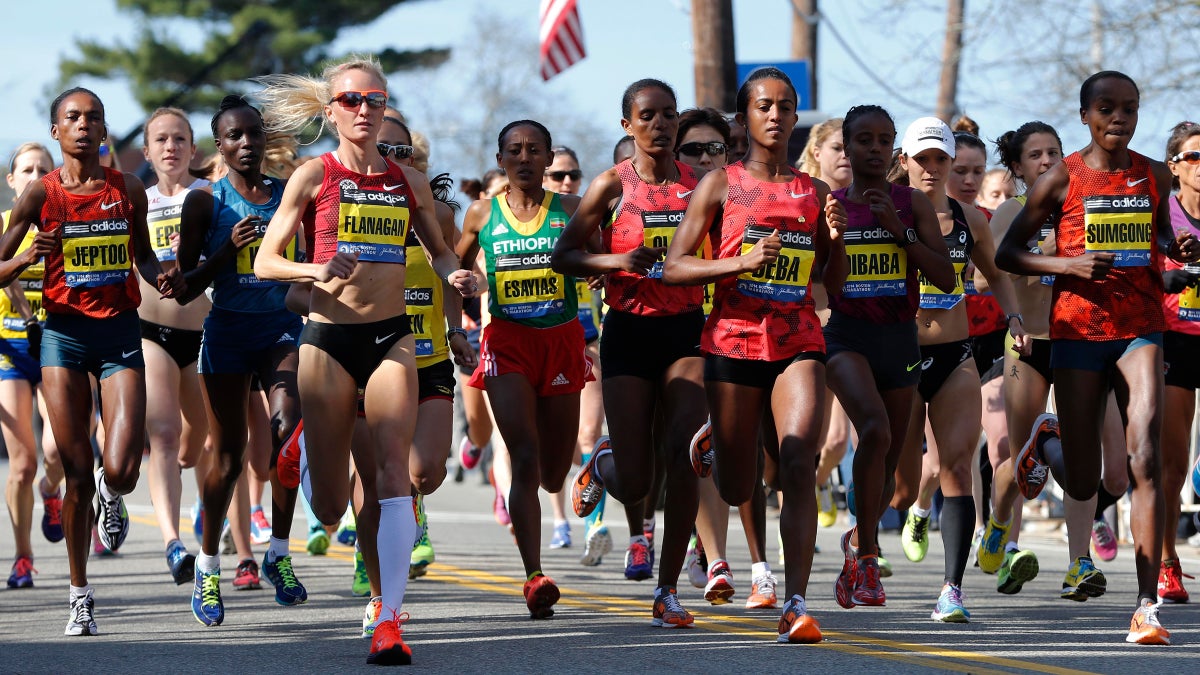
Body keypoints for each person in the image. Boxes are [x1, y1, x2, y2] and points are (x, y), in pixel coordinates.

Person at [253, 56, 474, 665]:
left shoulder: (408, 183)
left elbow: (439, 251)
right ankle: (301, 454)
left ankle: (391, 617)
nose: (363, 109)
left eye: (373, 100)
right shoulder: (311, 175)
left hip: (391, 339)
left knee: (389, 477)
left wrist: (459, 272)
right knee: (329, 504)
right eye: (350, 100)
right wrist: (313, 268)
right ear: (330, 112)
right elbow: (265, 262)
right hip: (326, 341)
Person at [995, 70, 1197, 645]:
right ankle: (1048, 444)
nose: (1120, 119)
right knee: (1083, 480)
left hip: (1141, 329)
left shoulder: (1153, 175)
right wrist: (1068, 266)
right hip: (1078, 332)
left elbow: (1158, 238)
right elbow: (1010, 254)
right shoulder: (1061, 178)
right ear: (1085, 116)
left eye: (1130, 109)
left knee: (1145, 453)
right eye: (1107, 109)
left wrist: (1174, 247)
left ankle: (1145, 605)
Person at [664, 66, 848, 643]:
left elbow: (833, 285)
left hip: (797, 339)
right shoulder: (719, 184)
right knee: (741, 485)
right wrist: (737, 263)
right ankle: (716, 443)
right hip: (734, 339)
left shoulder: (815, 194)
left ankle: (794, 602)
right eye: (763, 105)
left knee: (797, 459)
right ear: (745, 117)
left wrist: (837, 242)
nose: (775, 115)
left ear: (797, 117)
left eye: (785, 106)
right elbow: (674, 267)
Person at [0, 87, 184, 635]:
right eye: (73, 117)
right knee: (76, 471)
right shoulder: (40, 195)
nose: (84, 125)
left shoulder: (128, 189)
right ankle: (80, 594)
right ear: (57, 131)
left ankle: (113, 492)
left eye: (94, 117)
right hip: (62, 338)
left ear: (105, 131)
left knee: (123, 468)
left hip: (120, 331)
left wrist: (163, 277)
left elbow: (145, 260)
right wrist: (26, 256)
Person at [555, 78, 704, 628]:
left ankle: (666, 590)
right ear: (628, 126)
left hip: (687, 329)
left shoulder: (703, 185)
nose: (660, 125)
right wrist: (615, 263)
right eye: (648, 116)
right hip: (629, 333)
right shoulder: (610, 187)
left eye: (669, 115)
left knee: (689, 454)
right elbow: (564, 255)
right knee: (639, 481)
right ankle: (604, 461)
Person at [887, 119, 1028, 622]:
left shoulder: (971, 219)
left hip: (955, 354)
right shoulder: (881, 212)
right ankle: (864, 544)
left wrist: (1013, 317)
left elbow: (997, 276)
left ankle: (952, 589)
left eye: (939, 160)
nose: (931, 169)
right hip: (896, 356)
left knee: (958, 463)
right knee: (900, 487)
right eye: (921, 159)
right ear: (904, 161)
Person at [176, 95, 306, 626]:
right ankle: (208, 566)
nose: (247, 143)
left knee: (287, 433)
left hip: (279, 328)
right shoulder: (205, 202)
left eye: (254, 133)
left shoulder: (288, 194)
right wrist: (227, 250)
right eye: (234, 136)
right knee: (228, 456)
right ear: (220, 145)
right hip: (227, 331)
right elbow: (185, 288)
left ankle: (278, 552)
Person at [821, 105, 955, 610]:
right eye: (863, 140)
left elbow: (945, 278)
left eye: (883, 140)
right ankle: (871, 559)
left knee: (899, 482)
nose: (873, 149)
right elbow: (828, 288)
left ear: (893, 148)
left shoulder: (912, 202)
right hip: (848, 337)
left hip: (899, 338)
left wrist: (898, 229)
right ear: (848, 148)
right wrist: (834, 240)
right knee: (872, 430)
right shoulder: (830, 205)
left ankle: (859, 541)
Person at [457, 119, 588, 620]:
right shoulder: (481, 214)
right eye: (515, 150)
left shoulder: (572, 211)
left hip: (560, 342)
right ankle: (534, 575)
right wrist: (459, 312)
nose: (526, 158)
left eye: (536, 150)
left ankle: (587, 468)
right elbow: (453, 270)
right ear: (500, 160)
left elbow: (598, 258)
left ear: (549, 157)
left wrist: (599, 273)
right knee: (525, 455)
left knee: (555, 475)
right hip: (505, 344)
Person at [136, 107, 213, 588]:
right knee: (162, 434)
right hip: (151, 332)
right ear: (147, 152)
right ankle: (172, 542)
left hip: (204, 335)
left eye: (180, 139)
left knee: (200, 442)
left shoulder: (207, 199)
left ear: (192, 148)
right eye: (161, 140)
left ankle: (207, 512)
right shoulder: (133, 204)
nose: (171, 147)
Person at [1, 142, 62, 589]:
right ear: (11, 180)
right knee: (21, 464)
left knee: (58, 450)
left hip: (55, 347)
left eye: (43, 168)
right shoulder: (2, 227)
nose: (34, 175)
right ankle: (22, 557)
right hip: (9, 351)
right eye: (26, 169)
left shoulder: (61, 222)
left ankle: (51, 490)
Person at [1156, 120, 1200, 603]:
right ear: (1174, 166)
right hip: (1175, 340)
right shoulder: (1161, 216)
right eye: (1194, 157)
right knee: (1172, 465)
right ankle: (1168, 560)